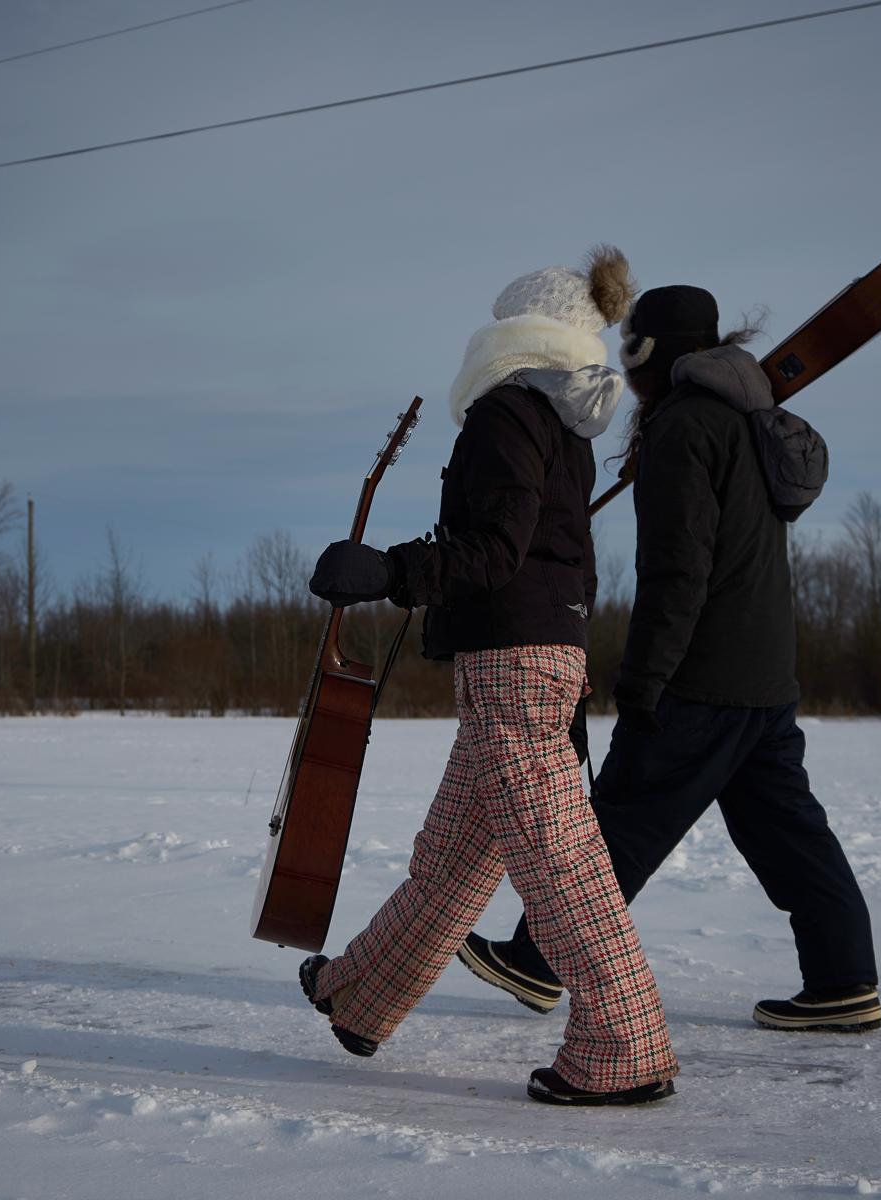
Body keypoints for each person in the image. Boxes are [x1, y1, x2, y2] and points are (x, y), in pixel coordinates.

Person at [299, 247, 679, 1106]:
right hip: (536, 658)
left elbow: (497, 553)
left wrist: (385, 572)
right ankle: (361, 995)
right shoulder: (560, 426)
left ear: (517, 335)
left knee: (559, 863)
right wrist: (568, 663)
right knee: (454, 862)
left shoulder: (509, 412)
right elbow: (565, 563)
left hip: (512, 662)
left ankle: (625, 1041)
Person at [457, 283, 881, 1033]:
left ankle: (536, 960)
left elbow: (677, 570)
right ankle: (844, 979)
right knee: (789, 834)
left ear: (649, 354)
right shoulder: (749, 419)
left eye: (631, 348)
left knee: (622, 819)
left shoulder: (686, 430)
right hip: (766, 677)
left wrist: (645, 678)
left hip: (702, 675)